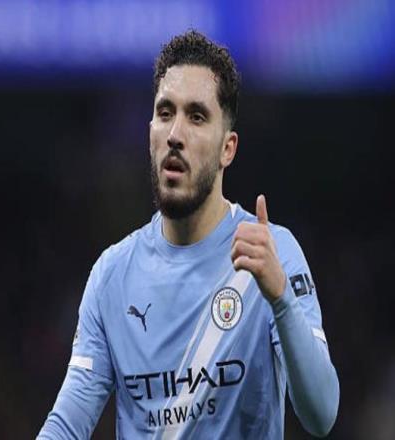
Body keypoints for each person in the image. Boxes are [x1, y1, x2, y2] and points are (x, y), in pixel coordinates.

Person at [37, 30, 339, 439]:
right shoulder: (112, 275)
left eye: (196, 117)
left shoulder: (272, 252)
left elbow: (322, 415)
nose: (175, 134)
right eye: (165, 113)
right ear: (150, 131)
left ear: (227, 148)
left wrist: (281, 299)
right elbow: (67, 424)